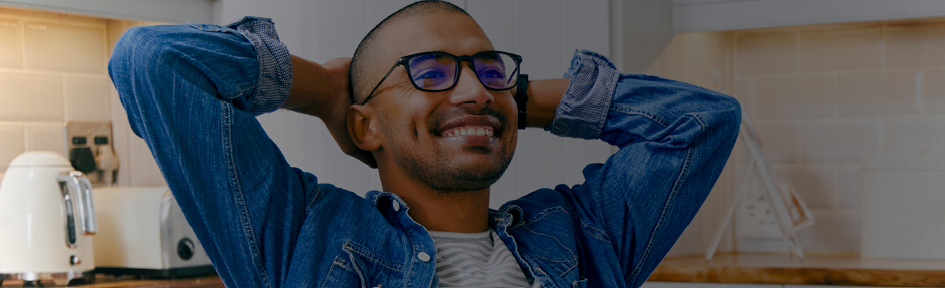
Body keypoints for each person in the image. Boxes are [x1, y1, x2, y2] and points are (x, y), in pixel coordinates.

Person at [108, 1, 739, 287]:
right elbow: (154, 60)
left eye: (490, 68)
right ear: (365, 127)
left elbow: (702, 123)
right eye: (430, 72)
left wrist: (512, 99)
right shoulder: (300, 238)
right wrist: (324, 87)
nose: (471, 89)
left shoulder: (582, 235)